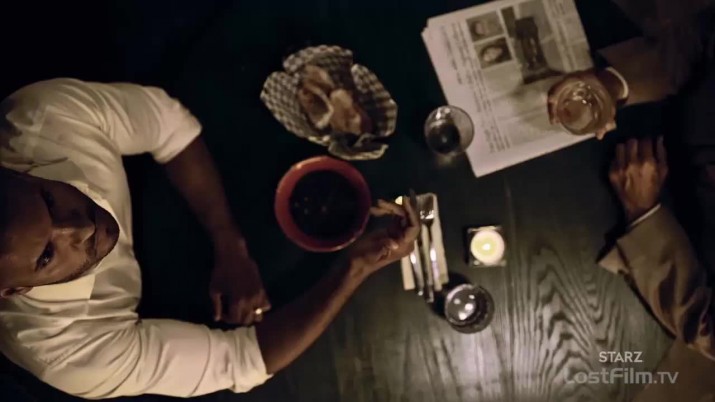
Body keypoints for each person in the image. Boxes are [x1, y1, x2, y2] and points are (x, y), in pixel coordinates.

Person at [0, 78, 420, 399]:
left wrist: (228, 243)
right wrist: (356, 266)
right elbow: (239, 360)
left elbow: (168, 123)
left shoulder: (41, 117)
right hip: (167, 307)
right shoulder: (65, 355)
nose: (83, 229)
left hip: (177, 197)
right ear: (12, 289)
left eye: (50, 200)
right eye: (47, 255)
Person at [547, 2, 715, 401]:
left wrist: (644, 213)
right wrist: (615, 83)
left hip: (670, 231)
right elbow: (700, 42)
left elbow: (706, 327)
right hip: (664, 123)